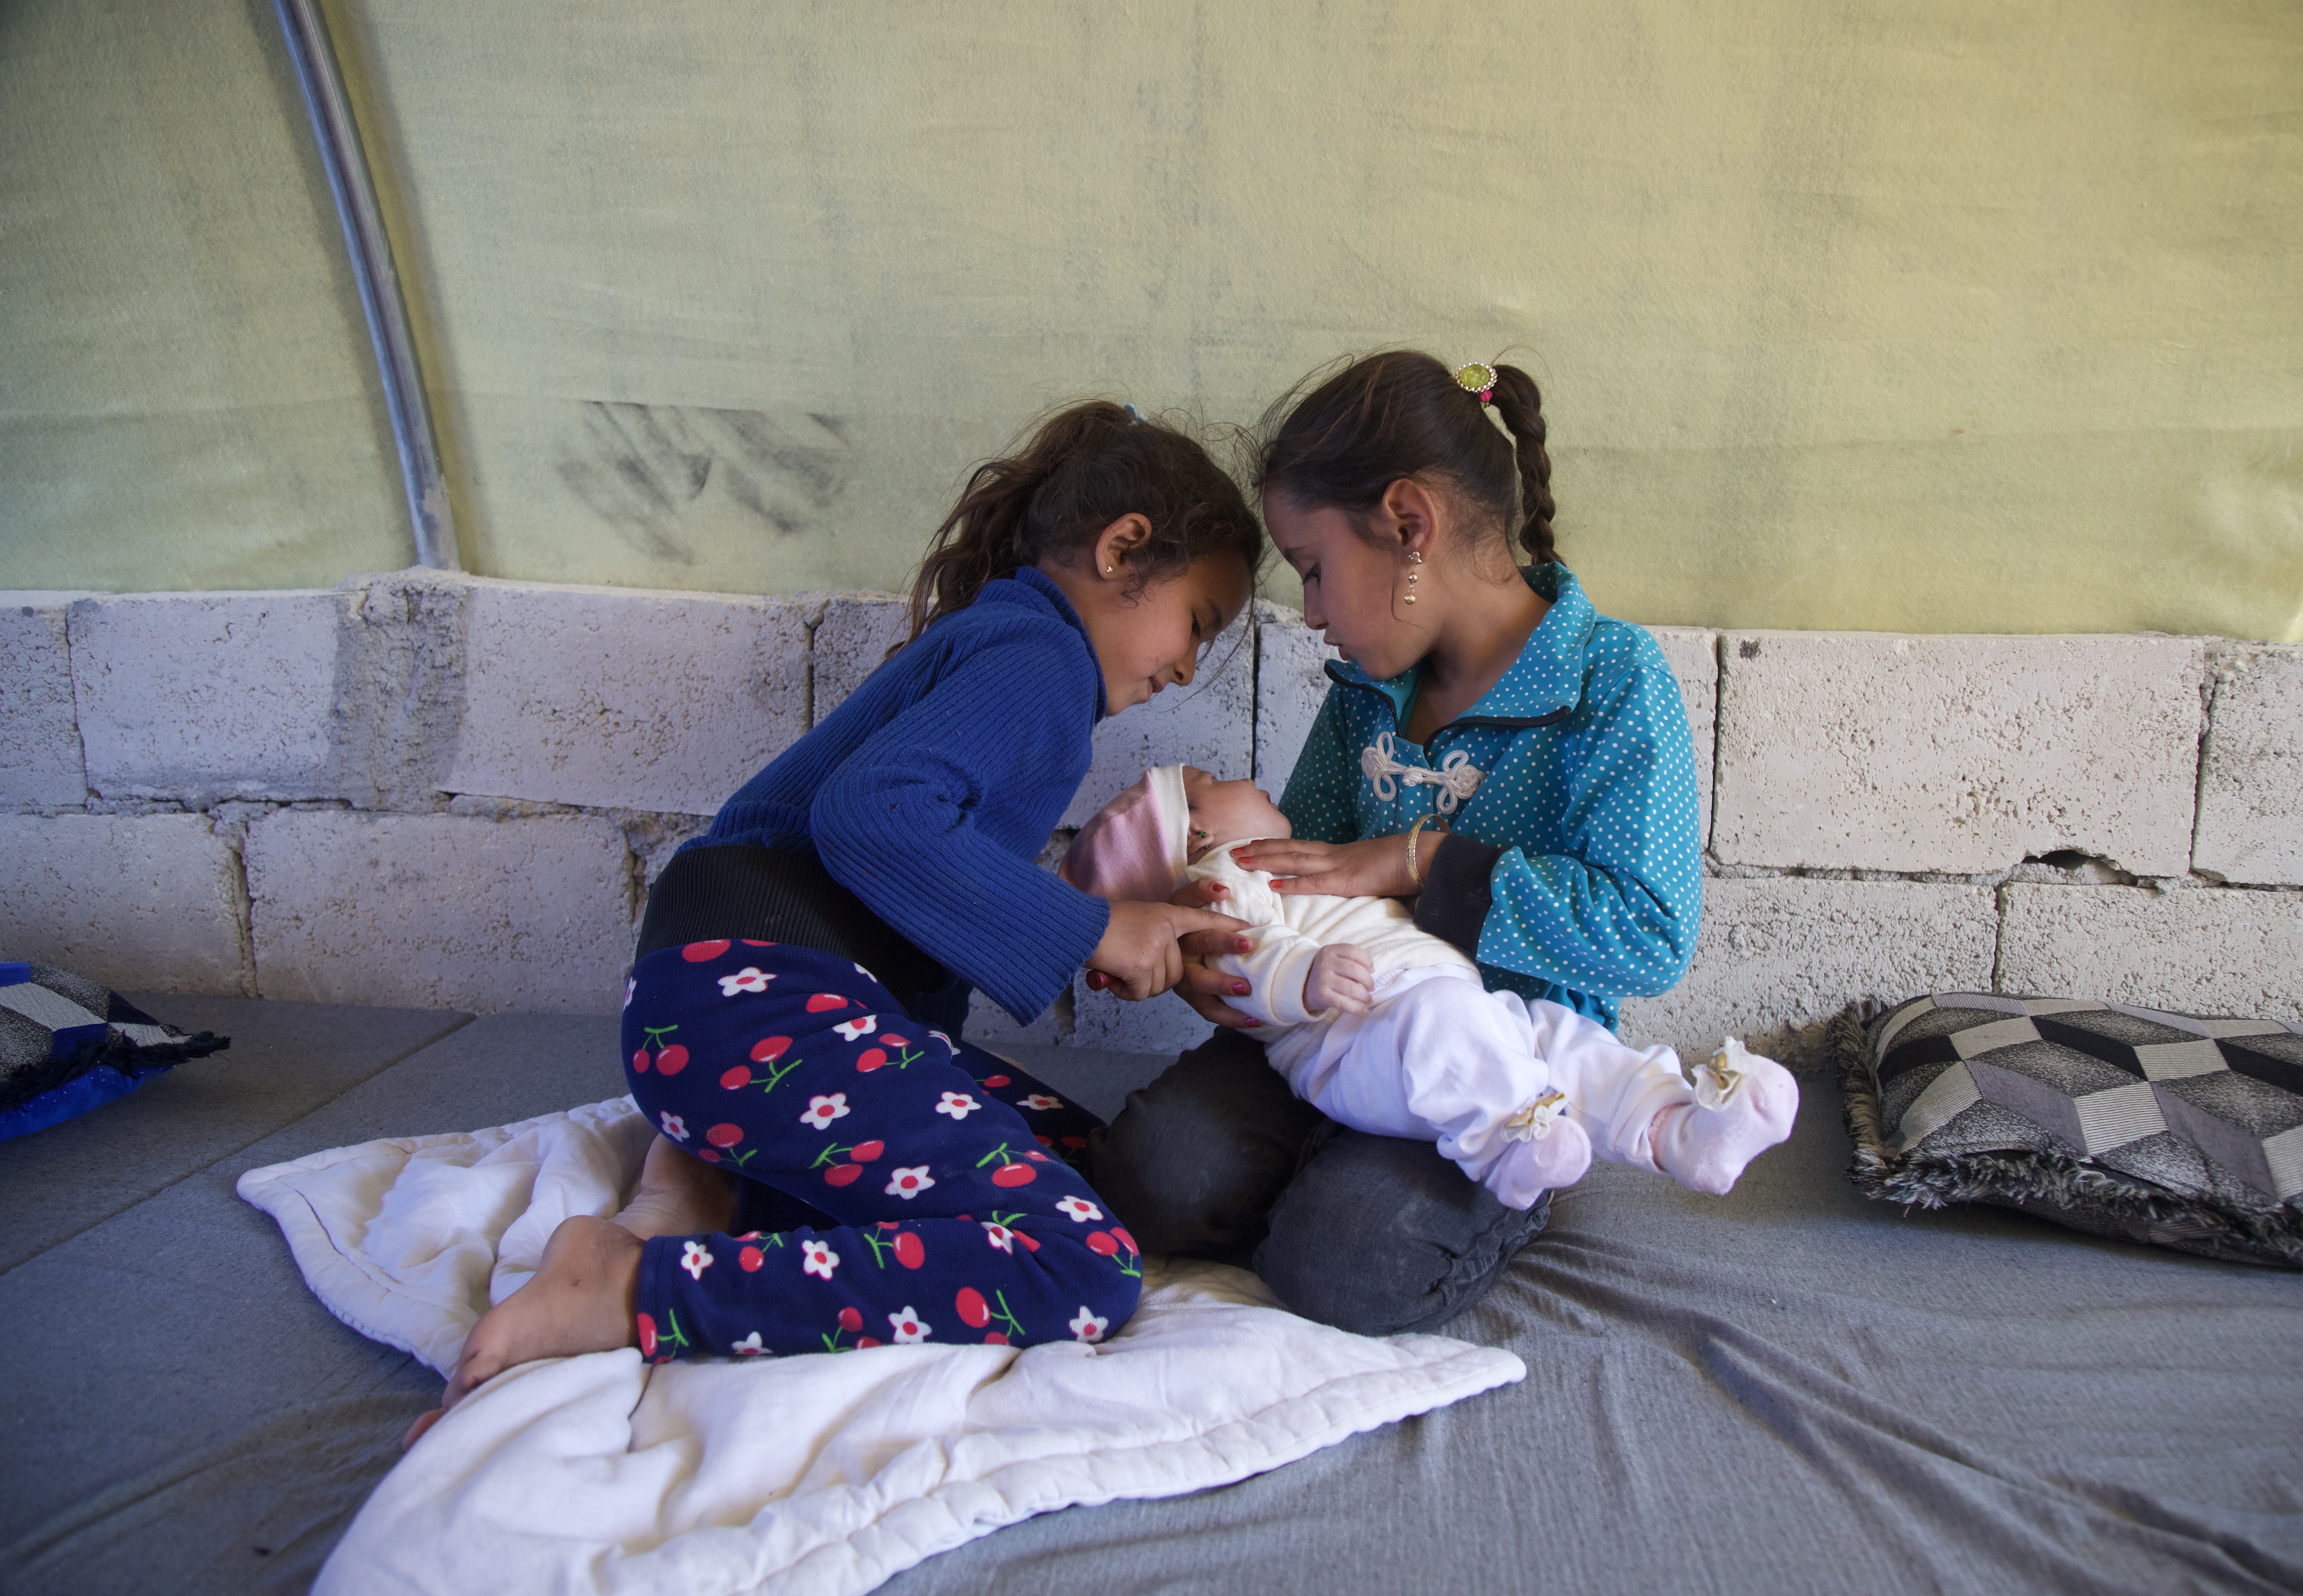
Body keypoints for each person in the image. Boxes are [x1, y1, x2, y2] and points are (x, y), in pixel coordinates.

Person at [407, 401, 1261, 1447]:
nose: (1186, 669)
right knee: (1076, 1262)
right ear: (1125, 547)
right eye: (1199, 626)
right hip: (757, 992)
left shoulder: (1006, 644)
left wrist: (1110, 927)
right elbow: (870, 816)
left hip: (745, 1000)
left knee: (1096, 1167)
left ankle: (703, 1175)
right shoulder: (1042, 660)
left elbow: (900, 849)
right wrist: (1090, 928)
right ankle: (635, 1284)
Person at [1084, 353, 1724, 1336]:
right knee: (1146, 1182)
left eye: (1313, 569)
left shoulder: (1610, 680)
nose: (1311, 616)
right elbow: (1296, 872)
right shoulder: (1365, 698)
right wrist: (1214, 950)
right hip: (1334, 1033)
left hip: (1493, 1057)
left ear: (1409, 528)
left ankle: (1498, 1160)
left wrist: (1418, 862)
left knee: (1342, 1266)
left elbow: (1649, 933)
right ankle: (1330, 1156)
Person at [1065, 764, 1793, 1211]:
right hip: (1358, 1040)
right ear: (1196, 835)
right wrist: (1303, 976)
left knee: (1557, 1035)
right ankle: (1508, 1146)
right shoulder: (1219, 881)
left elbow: (1646, 934)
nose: (1247, 778)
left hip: (1446, 1005)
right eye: (1212, 780)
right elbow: (1242, 957)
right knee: (1453, 1031)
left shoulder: (1255, 867)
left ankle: (1678, 1129)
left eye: (1316, 571)